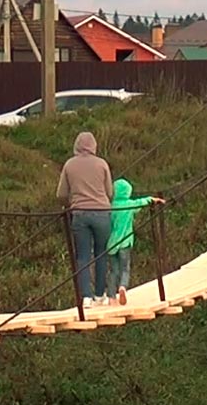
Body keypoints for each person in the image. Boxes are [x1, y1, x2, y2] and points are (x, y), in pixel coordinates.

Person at [57, 130, 115, 307]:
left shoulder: (69, 165)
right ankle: (100, 295)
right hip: (102, 214)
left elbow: (61, 194)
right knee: (101, 254)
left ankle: (86, 297)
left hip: (80, 214)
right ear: (94, 146)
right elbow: (109, 193)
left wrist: (72, 202)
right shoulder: (102, 164)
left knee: (82, 256)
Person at [107, 178, 164, 305]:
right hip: (125, 242)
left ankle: (111, 297)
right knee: (125, 268)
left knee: (113, 271)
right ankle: (122, 287)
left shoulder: (110, 207)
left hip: (111, 244)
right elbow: (141, 202)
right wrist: (152, 199)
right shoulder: (130, 204)